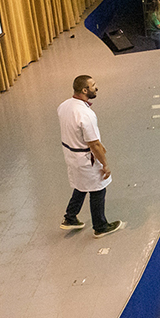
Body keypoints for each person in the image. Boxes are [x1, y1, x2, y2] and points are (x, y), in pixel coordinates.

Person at [58, 75, 124, 237]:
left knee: (80, 185)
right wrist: (105, 165)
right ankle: (100, 226)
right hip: (85, 158)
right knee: (98, 188)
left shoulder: (64, 106)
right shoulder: (85, 114)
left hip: (71, 154)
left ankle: (70, 217)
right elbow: (94, 144)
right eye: (93, 85)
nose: (97, 87)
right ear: (84, 90)